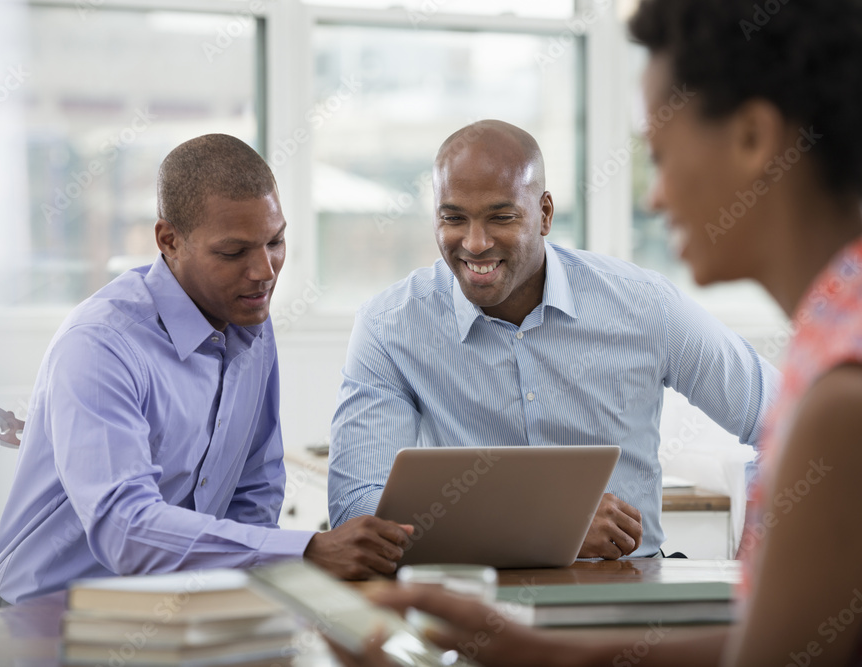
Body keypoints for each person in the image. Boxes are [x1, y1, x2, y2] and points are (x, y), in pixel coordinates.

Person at [333, 0, 862, 664]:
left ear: (754, 140)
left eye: (662, 156)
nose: (654, 197)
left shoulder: (839, 391)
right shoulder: (832, 341)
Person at [328, 118, 779, 560]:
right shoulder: (390, 326)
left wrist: (756, 568)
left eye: (501, 217)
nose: (475, 242)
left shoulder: (645, 306)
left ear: (544, 214)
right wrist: (542, 524)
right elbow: (355, 510)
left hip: (625, 594)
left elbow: (786, 420)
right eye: (453, 218)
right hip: (472, 594)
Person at [0, 135, 412, 605]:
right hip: (49, 624)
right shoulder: (100, 345)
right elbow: (125, 529)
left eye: (276, 242)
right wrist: (306, 552)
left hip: (182, 614)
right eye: (234, 253)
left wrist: (251, 603)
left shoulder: (248, 321)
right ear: (169, 240)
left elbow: (255, 486)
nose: (264, 271)